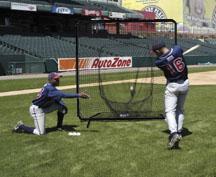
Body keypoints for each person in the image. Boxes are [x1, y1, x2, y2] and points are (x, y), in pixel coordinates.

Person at [12, 72, 90, 135]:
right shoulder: (50, 89)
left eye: (58, 79)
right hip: (37, 110)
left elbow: (57, 96)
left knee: (62, 108)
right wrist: (79, 95)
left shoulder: (49, 85)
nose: (58, 80)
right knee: (40, 133)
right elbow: (64, 95)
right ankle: (21, 126)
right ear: (51, 80)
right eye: (56, 79)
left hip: (45, 107)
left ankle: (59, 126)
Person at [151, 42, 189, 149]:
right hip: (185, 83)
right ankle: (180, 132)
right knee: (180, 109)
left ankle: (173, 133)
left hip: (173, 86)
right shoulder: (177, 49)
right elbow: (177, 51)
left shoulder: (159, 62)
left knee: (169, 111)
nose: (155, 54)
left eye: (155, 52)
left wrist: (170, 58)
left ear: (158, 50)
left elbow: (165, 59)